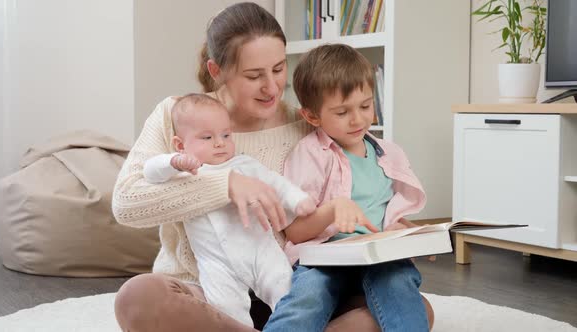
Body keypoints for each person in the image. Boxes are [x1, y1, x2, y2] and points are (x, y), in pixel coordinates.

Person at [112, 2, 433, 331]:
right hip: (206, 294)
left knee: (413, 307)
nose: (271, 87)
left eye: (279, 69)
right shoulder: (177, 116)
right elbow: (126, 204)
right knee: (138, 297)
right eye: (254, 76)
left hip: (287, 292)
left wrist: (391, 225)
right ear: (216, 70)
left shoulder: (308, 124)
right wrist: (225, 185)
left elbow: (343, 196)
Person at [263, 44, 431, 332]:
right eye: (342, 112)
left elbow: (388, 214)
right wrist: (331, 212)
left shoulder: (389, 155)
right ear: (312, 117)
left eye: (365, 106)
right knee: (309, 293)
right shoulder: (311, 154)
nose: (358, 119)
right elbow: (295, 232)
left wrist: (410, 233)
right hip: (324, 258)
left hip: (378, 258)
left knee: (398, 282)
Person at [142, 93, 316, 326]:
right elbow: (150, 172)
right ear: (180, 145)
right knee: (226, 310)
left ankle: (287, 326)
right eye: (207, 137)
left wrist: (298, 200)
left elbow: (275, 183)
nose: (220, 143)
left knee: (284, 287)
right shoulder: (184, 174)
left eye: (226, 134)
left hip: (260, 249)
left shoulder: (243, 164)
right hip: (215, 262)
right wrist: (172, 162)